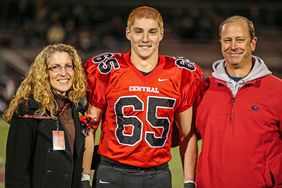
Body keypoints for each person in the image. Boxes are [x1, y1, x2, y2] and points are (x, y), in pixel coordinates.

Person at [81, 6, 202, 188]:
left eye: (152, 32)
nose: (145, 39)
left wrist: (189, 181)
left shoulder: (180, 73)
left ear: (161, 34)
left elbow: (187, 134)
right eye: (139, 31)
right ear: (128, 33)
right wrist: (84, 177)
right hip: (112, 171)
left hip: (157, 174)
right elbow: (88, 127)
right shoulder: (108, 69)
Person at [195, 15, 282, 188]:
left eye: (240, 40)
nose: (233, 46)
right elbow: (186, 136)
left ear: (252, 43)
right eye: (227, 40)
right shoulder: (204, 89)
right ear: (220, 43)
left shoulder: (277, 90)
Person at [3, 43, 87, 188]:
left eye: (68, 66)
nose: (63, 73)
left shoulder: (74, 109)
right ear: (44, 72)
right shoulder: (28, 110)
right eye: (55, 67)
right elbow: (16, 174)